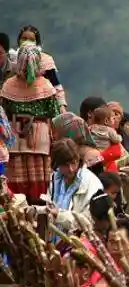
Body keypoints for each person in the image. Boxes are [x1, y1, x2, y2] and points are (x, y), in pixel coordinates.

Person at [1, 41, 60, 201]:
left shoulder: (8, 85)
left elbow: (4, 113)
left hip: (15, 136)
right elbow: (53, 113)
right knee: (38, 179)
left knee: (16, 178)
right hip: (39, 137)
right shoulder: (46, 86)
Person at [47, 139, 104, 234]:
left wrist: (59, 215)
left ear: (79, 160)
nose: (71, 169)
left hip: (78, 241)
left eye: (74, 163)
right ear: (58, 164)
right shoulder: (53, 179)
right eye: (65, 165)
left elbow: (89, 220)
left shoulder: (92, 183)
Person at [17, 25, 67, 110]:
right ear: (19, 41)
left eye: (31, 40)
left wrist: (61, 106)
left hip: (42, 104)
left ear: (37, 43)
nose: (27, 42)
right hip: (16, 101)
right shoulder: (13, 60)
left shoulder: (46, 60)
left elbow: (55, 84)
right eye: (24, 39)